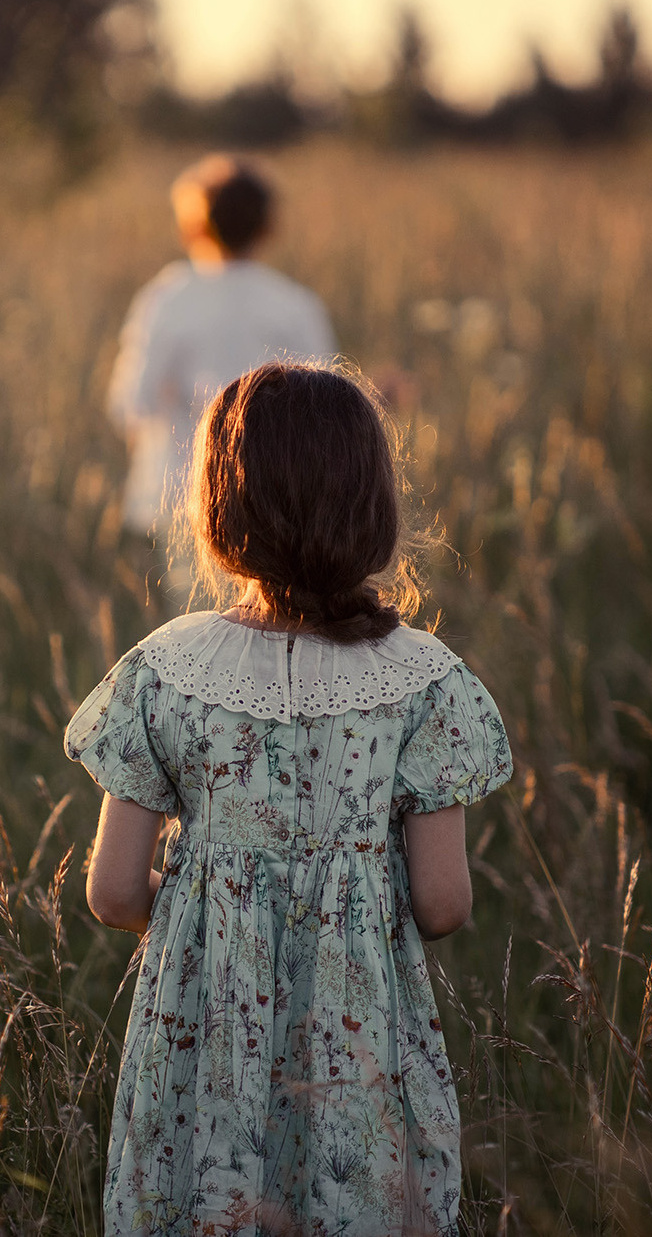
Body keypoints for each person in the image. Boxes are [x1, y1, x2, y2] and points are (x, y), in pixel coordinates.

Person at [65, 363, 512, 1236]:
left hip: (204, 1035)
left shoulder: (169, 671)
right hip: (361, 1043)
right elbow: (444, 902)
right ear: (371, 507)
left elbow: (114, 893)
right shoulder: (424, 681)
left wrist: (214, 905)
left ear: (221, 506)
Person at [107, 155, 338, 539]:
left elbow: (131, 403)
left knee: (193, 602)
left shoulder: (167, 300)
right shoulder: (296, 306)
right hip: (281, 508)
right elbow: (325, 412)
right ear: (267, 229)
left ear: (191, 228)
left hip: (184, 500)